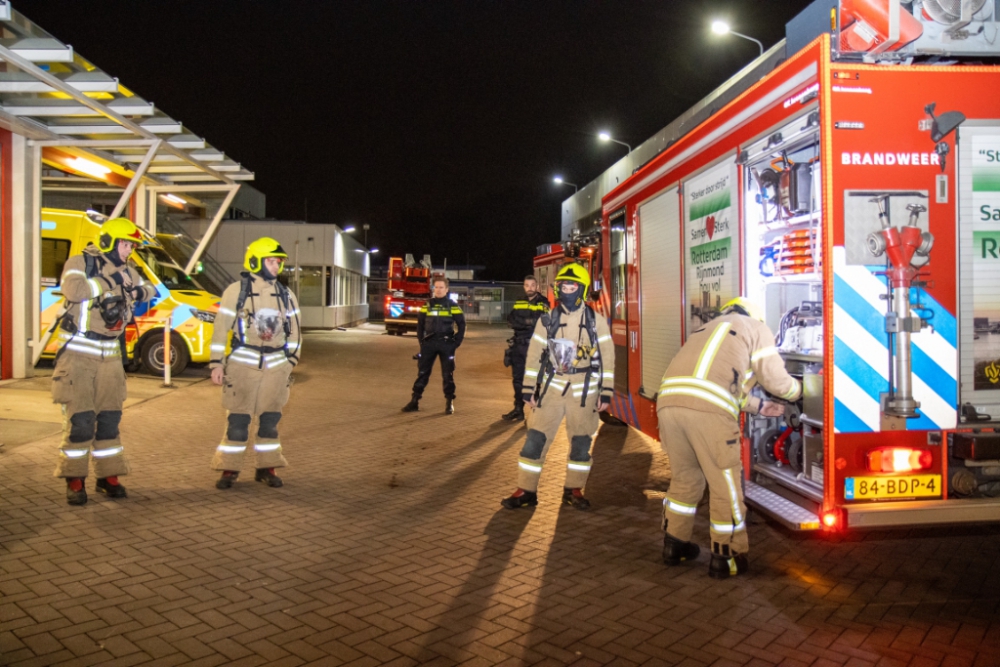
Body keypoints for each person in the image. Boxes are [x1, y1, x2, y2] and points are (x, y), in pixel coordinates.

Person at [657, 297, 801, 578]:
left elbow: (716, 384)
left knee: (685, 478)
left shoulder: (706, 329)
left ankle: (675, 544)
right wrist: (799, 392)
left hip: (669, 407)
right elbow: (774, 379)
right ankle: (727, 556)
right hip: (709, 415)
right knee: (725, 484)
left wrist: (760, 407)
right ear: (754, 316)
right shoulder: (755, 328)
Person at [51, 217, 156, 505]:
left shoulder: (128, 271)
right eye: (125, 244)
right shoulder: (80, 263)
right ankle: (74, 479)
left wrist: (136, 290)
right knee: (81, 420)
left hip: (110, 357)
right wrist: (111, 281)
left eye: (132, 246)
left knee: (109, 419)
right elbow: (74, 291)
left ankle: (108, 477)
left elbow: (153, 290)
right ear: (109, 242)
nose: (129, 251)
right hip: (78, 355)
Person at [500, 263, 614, 511]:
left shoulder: (596, 321)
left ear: (581, 289)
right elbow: (533, 355)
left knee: (581, 444)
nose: (568, 289)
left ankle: (573, 489)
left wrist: (606, 391)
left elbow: (607, 356)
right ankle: (526, 490)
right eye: (564, 285)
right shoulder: (547, 319)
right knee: (534, 440)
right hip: (551, 389)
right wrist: (528, 388)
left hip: (584, 391)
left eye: (573, 285)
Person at [209, 237, 301, 490]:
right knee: (238, 423)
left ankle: (266, 468)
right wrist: (216, 364)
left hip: (276, 368)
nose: (276, 266)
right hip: (242, 368)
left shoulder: (286, 295)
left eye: (279, 262)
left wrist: (289, 362)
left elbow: (295, 333)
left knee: (270, 422)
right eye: (271, 261)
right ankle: (229, 470)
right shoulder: (235, 291)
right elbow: (221, 330)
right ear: (255, 261)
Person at [401, 276, 466, 414]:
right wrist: (422, 342)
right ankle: (414, 401)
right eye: (436, 287)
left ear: (447, 289)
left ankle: (449, 402)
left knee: (447, 375)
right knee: (422, 373)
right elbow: (420, 324)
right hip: (429, 343)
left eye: (441, 287)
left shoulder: (452, 305)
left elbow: (462, 324)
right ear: (433, 289)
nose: (438, 290)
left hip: (446, 343)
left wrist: (456, 343)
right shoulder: (427, 305)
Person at [502, 274, 549, 422]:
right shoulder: (519, 302)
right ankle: (518, 409)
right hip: (518, 346)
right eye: (527, 285)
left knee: (536, 381)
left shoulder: (543, 302)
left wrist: (522, 322)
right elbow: (510, 320)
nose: (530, 288)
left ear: (537, 287)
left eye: (532, 285)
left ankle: (537, 412)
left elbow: (542, 323)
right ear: (524, 286)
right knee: (517, 380)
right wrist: (528, 322)